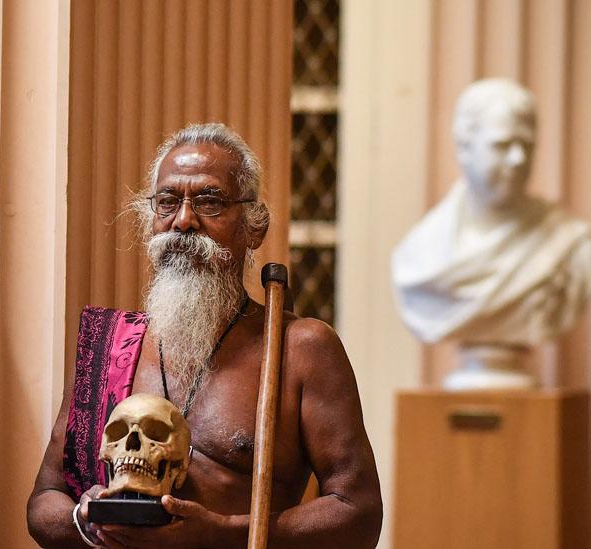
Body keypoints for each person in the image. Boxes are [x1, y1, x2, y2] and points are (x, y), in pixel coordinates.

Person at [28, 123, 382, 548]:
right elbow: (44, 503)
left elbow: (358, 513)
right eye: (168, 201)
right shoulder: (110, 347)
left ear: (255, 227)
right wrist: (87, 522)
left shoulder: (301, 350)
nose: (184, 221)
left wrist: (219, 534)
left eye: (210, 202)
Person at [392, 78, 591, 389]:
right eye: (502, 145)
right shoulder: (418, 257)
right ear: (464, 147)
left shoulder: (572, 246)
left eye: (527, 145)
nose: (518, 159)